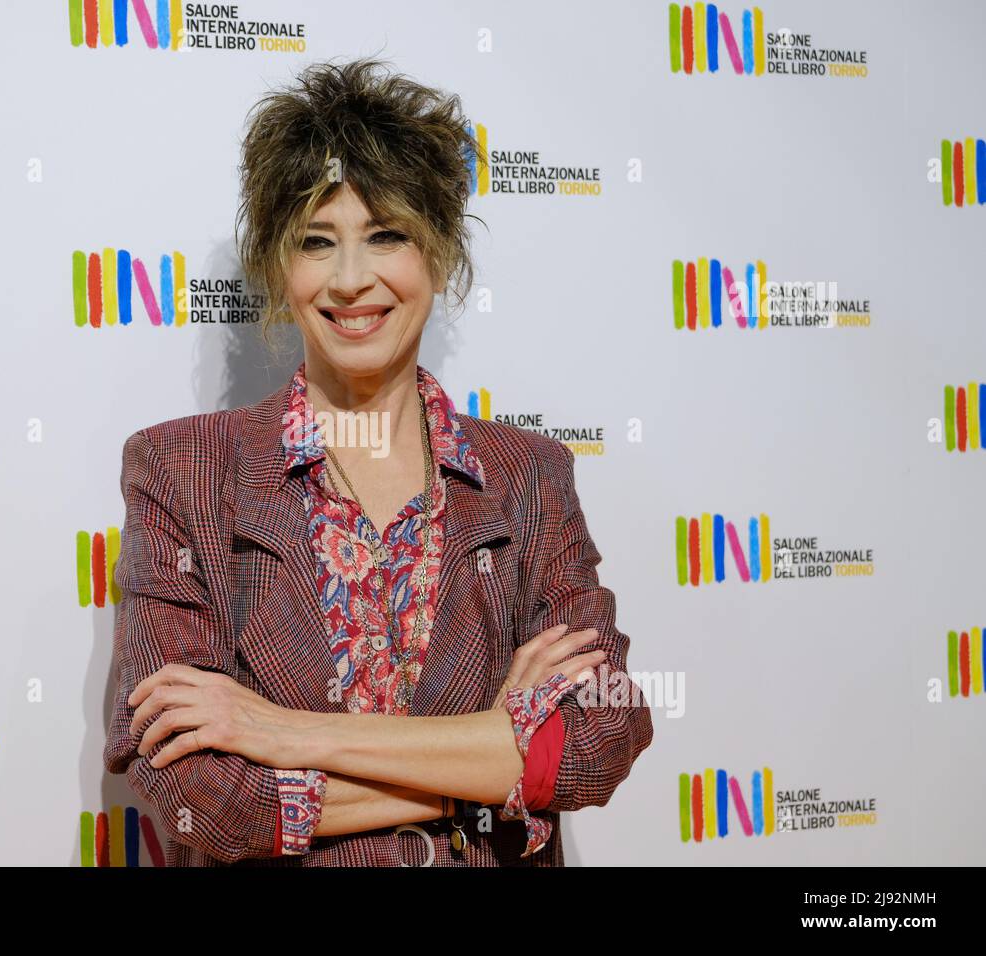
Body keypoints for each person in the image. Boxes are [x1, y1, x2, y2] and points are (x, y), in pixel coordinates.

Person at [103, 56, 653, 866]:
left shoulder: (528, 475)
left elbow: (603, 732)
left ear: (437, 252)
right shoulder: (182, 472)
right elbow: (204, 802)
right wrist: (495, 752)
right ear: (280, 268)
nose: (352, 280)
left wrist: (277, 729)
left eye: (386, 235)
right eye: (316, 242)